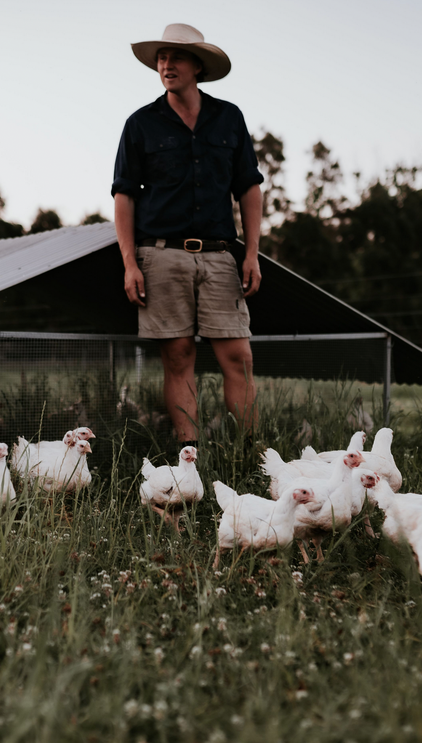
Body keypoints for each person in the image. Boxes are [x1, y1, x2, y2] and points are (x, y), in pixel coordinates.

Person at [112, 23, 264, 445]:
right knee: (178, 358)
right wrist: (129, 263)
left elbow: (249, 188)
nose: (166, 64)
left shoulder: (228, 118)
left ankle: (250, 456)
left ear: (198, 65)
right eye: (161, 57)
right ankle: (188, 456)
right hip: (160, 256)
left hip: (220, 255)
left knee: (239, 357)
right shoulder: (140, 124)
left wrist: (251, 253)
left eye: (176, 57)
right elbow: (123, 197)